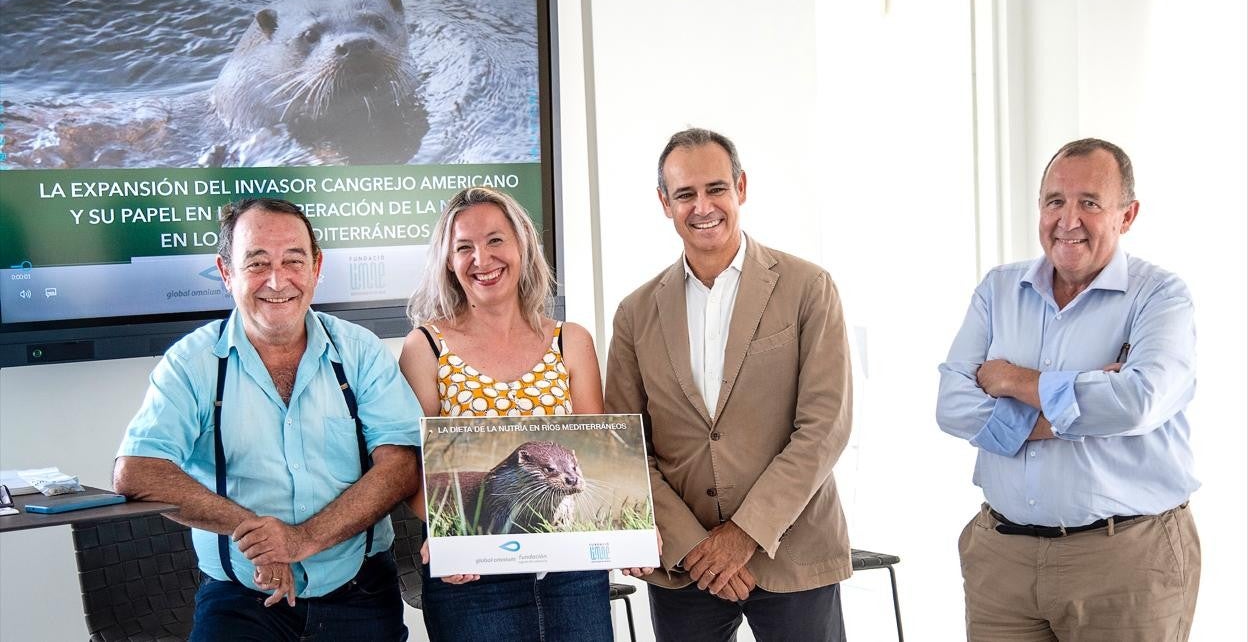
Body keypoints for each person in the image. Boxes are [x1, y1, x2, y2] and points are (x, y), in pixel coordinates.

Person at [114, 198, 422, 641]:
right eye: (257, 263)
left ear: (317, 268)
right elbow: (137, 471)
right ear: (226, 273)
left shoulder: (361, 351)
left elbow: (401, 465)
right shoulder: (192, 363)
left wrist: (303, 539)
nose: (277, 281)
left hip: (360, 591)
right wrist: (258, 536)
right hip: (240, 599)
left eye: (293, 261)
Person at [936, 138, 1201, 640]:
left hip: (1125, 562)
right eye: (1055, 201)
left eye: (1090, 203)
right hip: (1002, 561)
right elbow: (952, 406)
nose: (1068, 219)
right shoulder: (998, 288)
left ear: (1127, 215)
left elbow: (1136, 401)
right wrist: (1081, 404)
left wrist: (1014, 380)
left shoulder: (1161, 296)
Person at [604, 128, 854, 641]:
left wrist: (742, 536)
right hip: (684, 564)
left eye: (716, 188)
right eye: (685, 194)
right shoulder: (634, 313)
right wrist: (696, 548)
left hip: (793, 550)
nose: (703, 206)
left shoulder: (808, 288)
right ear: (664, 203)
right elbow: (624, 446)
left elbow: (824, 429)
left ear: (741, 187)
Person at [399, 186, 637, 642]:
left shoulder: (572, 341)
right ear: (449, 261)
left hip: (571, 577)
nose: (481, 259)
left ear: (522, 246)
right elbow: (410, 471)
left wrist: (632, 536)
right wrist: (449, 536)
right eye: (463, 247)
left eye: (495, 240)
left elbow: (597, 437)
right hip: (471, 580)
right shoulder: (424, 347)